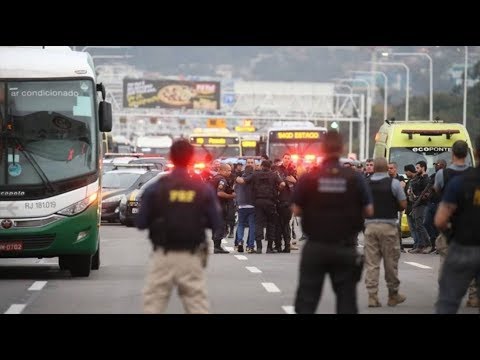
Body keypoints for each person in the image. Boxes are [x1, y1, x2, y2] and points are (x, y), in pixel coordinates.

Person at [136, 139, 222, 314]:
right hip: (191, 255)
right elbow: (217, 223)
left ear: (171, 158)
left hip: (163, 254)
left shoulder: (155, 189)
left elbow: (141, 222)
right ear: (191, 158)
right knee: (196, 302)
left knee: (154, 302)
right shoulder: (203, 189)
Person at [292, 131, 373, 314]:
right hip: (345, 247)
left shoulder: (309, 178)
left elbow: (296, 209)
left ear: (322, 149)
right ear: (342, 148)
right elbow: (369, 210)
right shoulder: (355, 178)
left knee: (307, 300)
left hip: (315, 246)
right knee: (346, 301)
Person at [434, 135, 480, 314]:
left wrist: (449, 233)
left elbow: (439, 220)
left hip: (460, 238)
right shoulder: (468, 174)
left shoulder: (450, 178)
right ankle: (474, 297)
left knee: (448, 274)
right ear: (468, 155)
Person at [364, 157, 407, 307]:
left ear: (374, 168)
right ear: (386, 168)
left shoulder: (366, 184)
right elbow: (403, 204)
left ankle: (372, 296)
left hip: (370, 227)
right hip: (389, 226)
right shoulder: (394, 183)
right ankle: (393, 294)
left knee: (372, 263)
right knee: (391, 262)